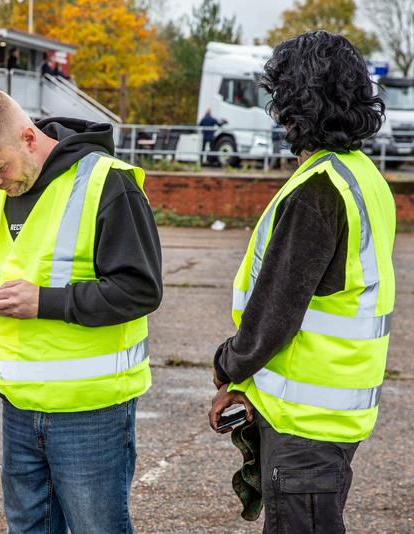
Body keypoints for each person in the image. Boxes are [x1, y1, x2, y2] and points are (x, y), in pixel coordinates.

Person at [0, 88, 162, 533]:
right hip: (19, 404)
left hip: (92, 411)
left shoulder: (107, 182)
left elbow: (140, 289)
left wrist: (44, 302)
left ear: (29, 138)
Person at [208, 31, 395, 534]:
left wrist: (227, 368)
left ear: (293, 105)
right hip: (332, 413)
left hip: (305, 424)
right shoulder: (362, 175)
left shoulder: (318, 190)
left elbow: (276, 309)